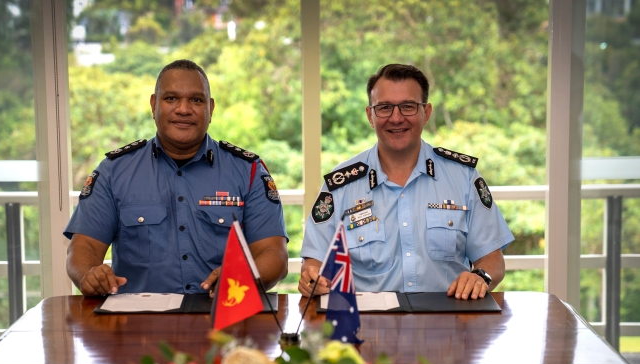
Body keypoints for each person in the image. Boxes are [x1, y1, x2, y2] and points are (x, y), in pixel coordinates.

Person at [64, 60, 288, 296]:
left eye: (196, 100)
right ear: (153, 105)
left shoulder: (248, 171)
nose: (183, 109)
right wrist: (90, 274)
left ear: (210, 108)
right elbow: (82, 248)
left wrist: (243, 275)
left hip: (223, 318)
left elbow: (275, 255)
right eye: (171, 98)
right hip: (137, 323)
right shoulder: (114, 171)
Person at [299, 64, 513, 300]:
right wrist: (312, 278)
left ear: (426, 112)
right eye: (384, 108)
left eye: (408, 107)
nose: (396, 118)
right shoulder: (340, 186)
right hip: (367, 327)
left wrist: (480, 276)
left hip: (450, 321)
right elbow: (314, 262)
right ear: (370, 115)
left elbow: (492, 259)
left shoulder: (463, 177)